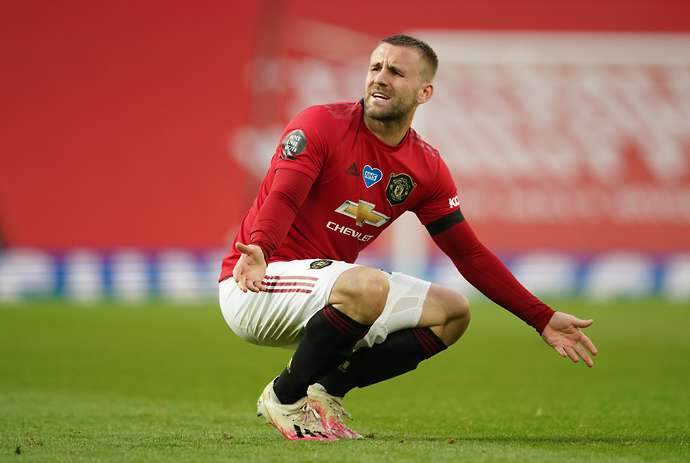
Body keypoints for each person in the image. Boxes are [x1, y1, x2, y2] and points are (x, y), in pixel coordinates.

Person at [218, 34, 598, 441]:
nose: (380, 78)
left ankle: (324, 391)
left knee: (452, 312)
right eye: (375, 67)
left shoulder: (426, 168)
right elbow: (285, 196)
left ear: (424, 92)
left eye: (396, 72)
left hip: (327, 293)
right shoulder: (320, 125)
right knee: (368, 286)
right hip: (257, 280)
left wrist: (540, 317)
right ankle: (285, 397)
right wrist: (261, 247)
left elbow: (469, 254)